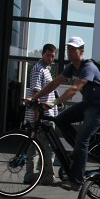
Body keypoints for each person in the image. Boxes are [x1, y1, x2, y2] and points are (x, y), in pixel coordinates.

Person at [30, 36, 100, 191]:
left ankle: (77, 181)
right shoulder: (71, 67)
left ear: (81, 51)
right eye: (68, 48)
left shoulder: (88, 67)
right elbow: (54, 83)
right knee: (60, 119)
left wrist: (53, 103)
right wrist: (34, 98)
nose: (69, 51)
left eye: (73, 49)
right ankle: (78, 153)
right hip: (88, 104)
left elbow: (74, 89)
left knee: (82, 140)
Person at [24, 43, 59, 185]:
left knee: (34, 147)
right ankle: (47, 175)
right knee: (47, 147)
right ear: (42, 54)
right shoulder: (39, 69)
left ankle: (31, 175)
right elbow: (35, 92)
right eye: (48, 55)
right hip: (41, 116)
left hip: (45, 114)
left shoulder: (46, 69)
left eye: (53, 56)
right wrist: (38, 114)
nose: (51, 58)